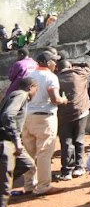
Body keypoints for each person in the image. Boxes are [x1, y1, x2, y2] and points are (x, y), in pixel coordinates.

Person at [22, 50, 68, 196]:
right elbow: (55, 99)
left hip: (27, 117)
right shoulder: (51, 77)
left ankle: (29, 185)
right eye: (54, 61)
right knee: (44, 153)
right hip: (45, 118)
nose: (56, 64)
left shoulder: (29, 76)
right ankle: (43, 186)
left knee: (29, 153)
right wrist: (63, 100)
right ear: (49, 63)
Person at [0, 77, 37, 207]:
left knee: (27, 163)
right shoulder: (21, 95)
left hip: (8, 142)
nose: (37, 93)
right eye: (37, 89)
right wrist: (17, 140)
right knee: (5, 182)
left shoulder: (14, 94)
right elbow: (8, 116)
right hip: (6, 142)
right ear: (32, 87)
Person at [56, 59, 90, 180]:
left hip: (63, 114)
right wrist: (76, 63)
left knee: (66, 141)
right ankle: (79, 167)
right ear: (70, 66)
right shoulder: (79, 73)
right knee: (79, 139)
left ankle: (67, 171)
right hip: (81, 111)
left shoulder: (56, 78)